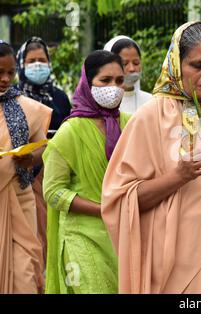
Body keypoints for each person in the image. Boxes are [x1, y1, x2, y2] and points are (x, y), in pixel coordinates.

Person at [101, 21, 201, 294]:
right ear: (176, 63)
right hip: (173, 262)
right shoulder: (150, 118)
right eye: (198, 66)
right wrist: (178, 177)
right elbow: (120, 199)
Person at [43, 50, 131, 293]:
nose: (114, 88)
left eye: (119, 81)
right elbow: (53, 192)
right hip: (82, 235)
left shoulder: (131, 124)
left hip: (124, 235)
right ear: (87, 83)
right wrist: (102, 209)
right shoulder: (69, 132)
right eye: (105, 81)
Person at [16, 37, 72, 267]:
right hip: (24, 173)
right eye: (31, 61)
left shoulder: (59, 97)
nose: (37, 65)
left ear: (49, 64)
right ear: (21, 64)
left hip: (55, 172)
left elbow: (69, 131)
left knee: (54, 234)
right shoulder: (14, 97)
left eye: (42, 60)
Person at [0, 40, 52, 293]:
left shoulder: (27, 107)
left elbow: (44, 146)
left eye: (10, 72)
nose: (5, 79)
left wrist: (32, 157)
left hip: (21, 200)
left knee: (26, 274)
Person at [104, 36, 152, 114]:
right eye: (124, 64)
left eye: (136, 63)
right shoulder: (103, 103)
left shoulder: (151, 101)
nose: (132, 69)